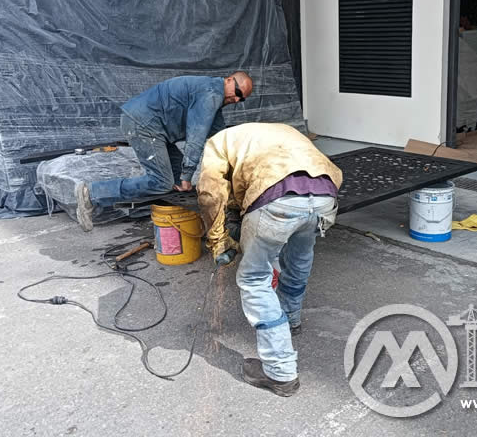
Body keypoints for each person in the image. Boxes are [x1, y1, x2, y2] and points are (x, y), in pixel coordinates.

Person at [197, 123, 342, 397]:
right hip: (325, 196)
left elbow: (210, 194)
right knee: (298, 260)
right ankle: (290, 319)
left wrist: (218, 240)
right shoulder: (279, 132)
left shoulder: (217, 143)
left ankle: (280, 372)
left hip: (278, 199)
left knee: (254, 279)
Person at [74, 72, 253, 231]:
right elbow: (196, 138)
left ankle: (186, 222)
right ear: (229, 80)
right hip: (143, 125)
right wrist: (186, 177)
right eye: (238, 93)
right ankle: (91, 193)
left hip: (156, 129)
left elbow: (222, 138)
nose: (237, 100)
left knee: (178, 181)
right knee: (162, 182)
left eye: (242, 99)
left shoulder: (212, 95)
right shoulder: (210, 94)